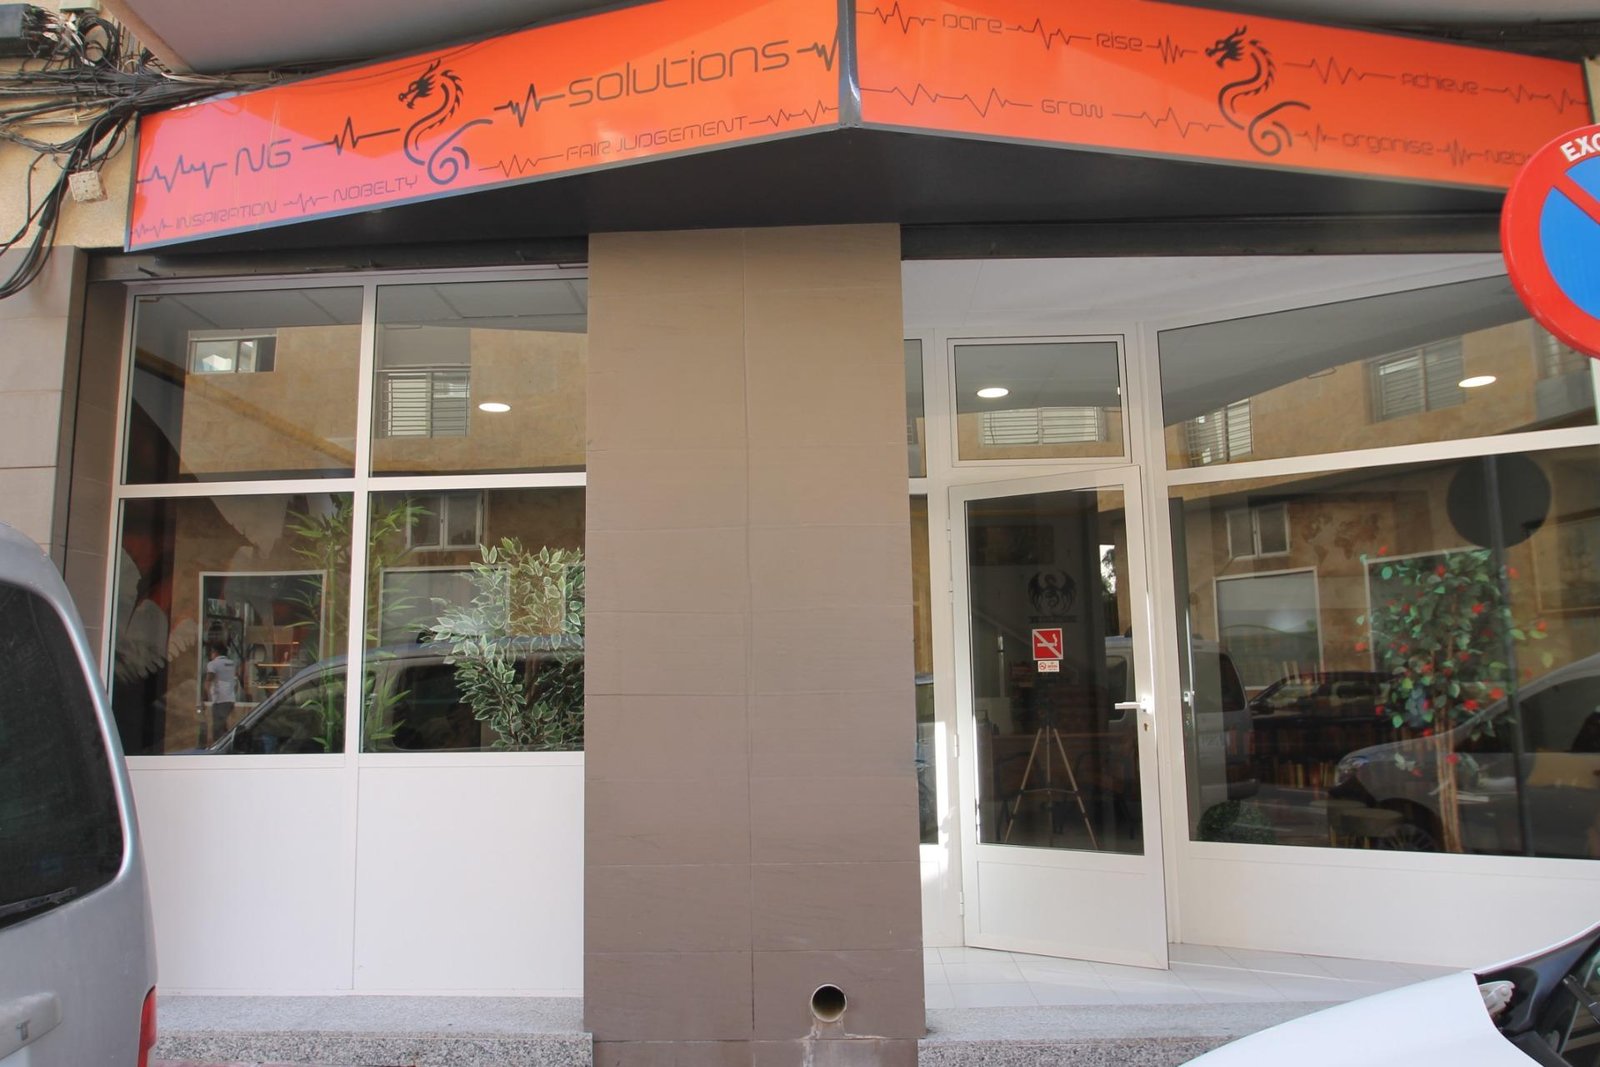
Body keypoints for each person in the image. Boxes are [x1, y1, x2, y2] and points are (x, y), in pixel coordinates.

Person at [204, 642, 241, 746]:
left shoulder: (213, 664)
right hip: (230, 699)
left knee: (217, 728)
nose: (211, 654)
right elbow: (236, 681)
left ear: (215, 652)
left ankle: (218, 748)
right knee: (223, 726)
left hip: (219, 699)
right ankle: (227, 745)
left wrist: (207, 696)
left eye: (211, 652)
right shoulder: (232, 664)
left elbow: (209, 680)